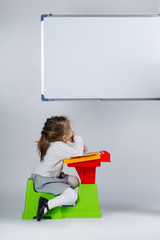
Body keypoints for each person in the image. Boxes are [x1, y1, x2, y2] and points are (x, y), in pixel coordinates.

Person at [30, 115, 88, 221]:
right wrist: (77, 138)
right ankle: (46, 205)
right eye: (72, 131)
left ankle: (61, 198)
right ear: (64, 137)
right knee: (73, 196)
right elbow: (76, 153)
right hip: (44, 180)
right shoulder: (57, 146)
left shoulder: (54, 144)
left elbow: (73, 152)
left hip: (49, 177)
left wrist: (80, 149)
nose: (73, 132)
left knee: (75, 180)